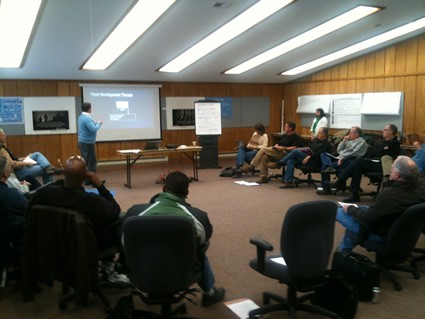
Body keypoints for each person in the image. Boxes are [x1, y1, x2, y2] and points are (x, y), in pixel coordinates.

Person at [125, 171, 225, 307]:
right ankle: (210, 292)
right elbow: (202, 242)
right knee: (200, 249)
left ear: (163, 189)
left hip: (142, 273)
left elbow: (123, 242)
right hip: (182, 274)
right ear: (186, 192)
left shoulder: (134, 213)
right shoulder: (200, 217)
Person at [27, 155, 128, 284]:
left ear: (63, 173)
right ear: (85, 176)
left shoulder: (45, 194)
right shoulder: (92, 201)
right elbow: (115, 210)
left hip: (55, 244)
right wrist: (99, 185)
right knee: (123, 220)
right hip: (88, 246)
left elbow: (29, 209)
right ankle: (112, 269)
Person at [336, 156, 425, 252]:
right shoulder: (422, 186)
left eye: (391, 169)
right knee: (361, 209)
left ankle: (343, 254)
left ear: (396, 175)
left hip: (383, 234)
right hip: (404, 232)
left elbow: (367, 220)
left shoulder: (390, 195)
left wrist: (350, 210)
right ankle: (343, 252)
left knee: (337, 210)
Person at [330, 124, 401, 203]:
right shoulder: (381, 142)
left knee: (358, 161)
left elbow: (385, 154)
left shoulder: (395, 143)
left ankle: (340, 181)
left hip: (383, 166)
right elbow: (374, 153)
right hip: (374, 162)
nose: (382, 131)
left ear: (391, 132)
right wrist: (382, 150)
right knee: (358, 168)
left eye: (385, 130)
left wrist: (381, 151)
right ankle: (355, 195)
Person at [317, 126, 368, 195]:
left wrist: (343, 156)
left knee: (324, 167)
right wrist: (344, 141)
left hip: (350, 160)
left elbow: (355, 153)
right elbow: (339, 150)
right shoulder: (350, 141)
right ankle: (328, 166)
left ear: (357, 134)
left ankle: (326, 189)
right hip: (340, 158)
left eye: (351, 132)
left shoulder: (361, 142)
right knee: (324, 154)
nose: (349, 134)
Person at [0, 156, 28, 252]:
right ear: (5, 173)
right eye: (9, 168)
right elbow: (28, 209)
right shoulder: (11, 195)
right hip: (13, 241)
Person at [78, 102, 103, 178]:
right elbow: (93, 129)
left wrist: (95, 123)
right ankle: (92, 180)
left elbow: (88, 128)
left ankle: (87, 179)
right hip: (87, 143)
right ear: (89, 109)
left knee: (86, 162)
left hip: (82, 142)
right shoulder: (87, 118)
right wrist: (99, 123)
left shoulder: (81, 117)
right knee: (91, 162)